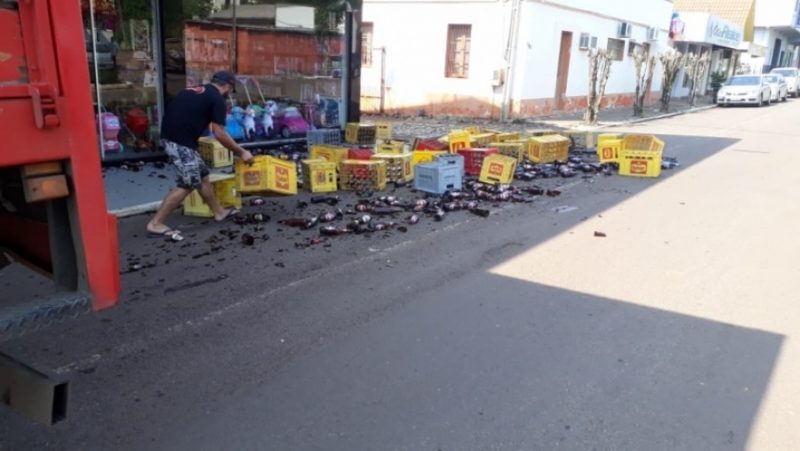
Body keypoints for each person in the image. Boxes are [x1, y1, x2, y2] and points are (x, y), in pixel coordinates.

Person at [147, 71, 254, 239]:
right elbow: (219, 133)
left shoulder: (195, 89)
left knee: (202, 175)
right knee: (188, 183)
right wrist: (242, 152)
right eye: (229, 90)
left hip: (176, 138)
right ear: (227, 86)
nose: (228, 94)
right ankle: (155, 223)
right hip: (179, 141)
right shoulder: (216, 98)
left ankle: (219, 212)